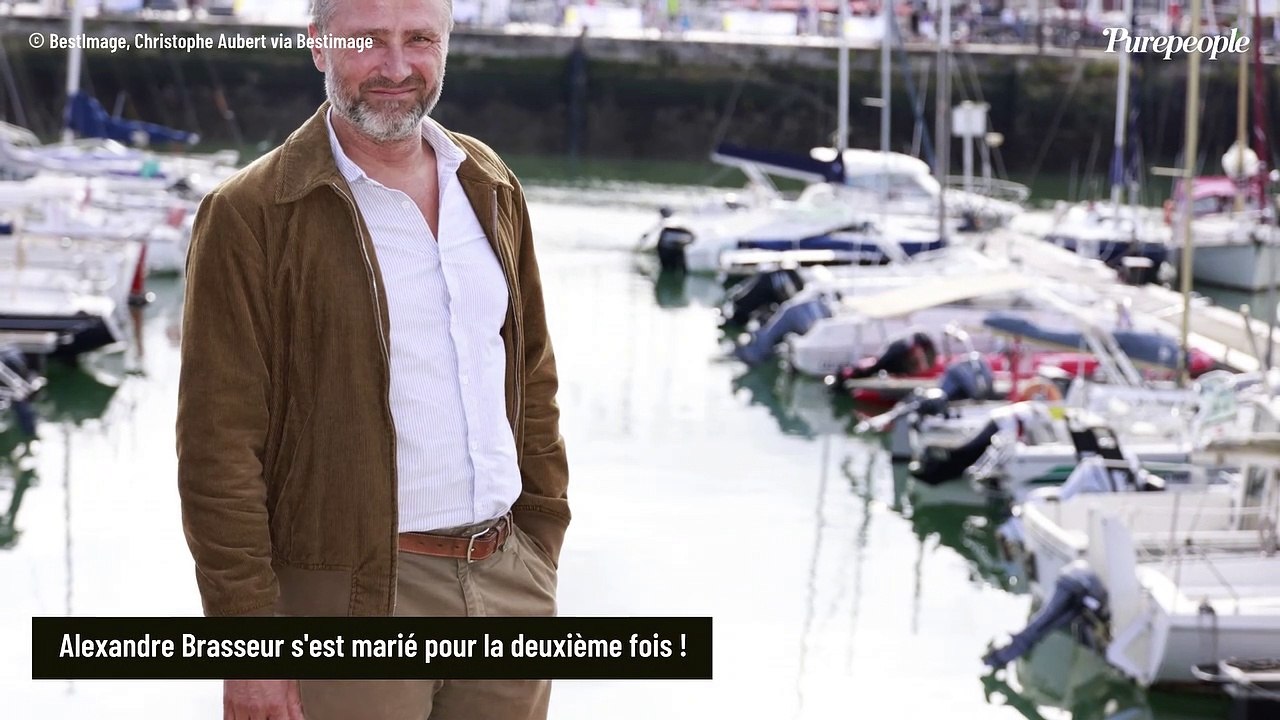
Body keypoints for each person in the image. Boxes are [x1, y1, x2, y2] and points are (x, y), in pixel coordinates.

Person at [175, 0, 571, 717]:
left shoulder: (488, 182)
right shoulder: (252, 213)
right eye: (366, 41)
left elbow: (531, 374)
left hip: (506, 580)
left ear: (446, 47)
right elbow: (218, 448)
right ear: (319, 48)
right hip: (351, 596)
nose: (396, 67)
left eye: (419, 39)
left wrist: (540, 539)